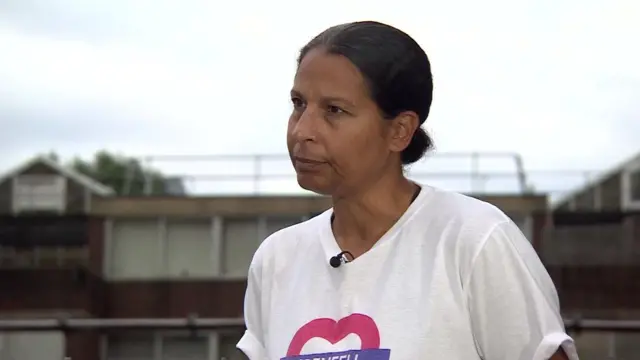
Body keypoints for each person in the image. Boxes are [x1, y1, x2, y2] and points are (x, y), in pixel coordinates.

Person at [237, 21, 579, 360]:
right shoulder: (277, 259)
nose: (302, 130)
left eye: (334, 110)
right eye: (299, 103)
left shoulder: (473, 240)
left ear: (400, 131)